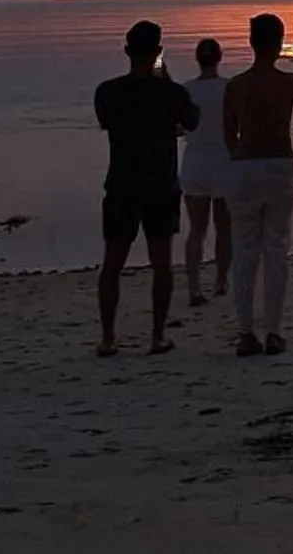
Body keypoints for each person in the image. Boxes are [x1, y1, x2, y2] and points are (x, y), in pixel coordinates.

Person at [93, 19, 197, 355]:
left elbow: (108, 122)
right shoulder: (171, 93)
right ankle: (156, 335)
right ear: (157, 52)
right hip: (160, 185)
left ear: (126, 51)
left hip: (123, 183)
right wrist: (163, 79)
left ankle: (108, 338)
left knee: (113, 262)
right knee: (161, 262)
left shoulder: (107, 92)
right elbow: (192, 120)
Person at [224, 12, 293, 356]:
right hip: (280, 165)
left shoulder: (235, 86)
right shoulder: (290, 82)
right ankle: (273, 332)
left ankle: (245, 332)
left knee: (246, 250)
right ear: (280, 44)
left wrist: (240, 163)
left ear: (251, 42)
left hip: (245, 166)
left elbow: (228, 136)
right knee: (276, 249)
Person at [178, 37, 234, 308]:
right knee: (225, 228)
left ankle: (194, 288)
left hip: (196, 162)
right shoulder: (229, 88)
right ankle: (221, 281)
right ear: (219, 58)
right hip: (224, 161)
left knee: (197, 229)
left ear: (198, 59)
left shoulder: (186, 90)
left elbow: (180, 127)